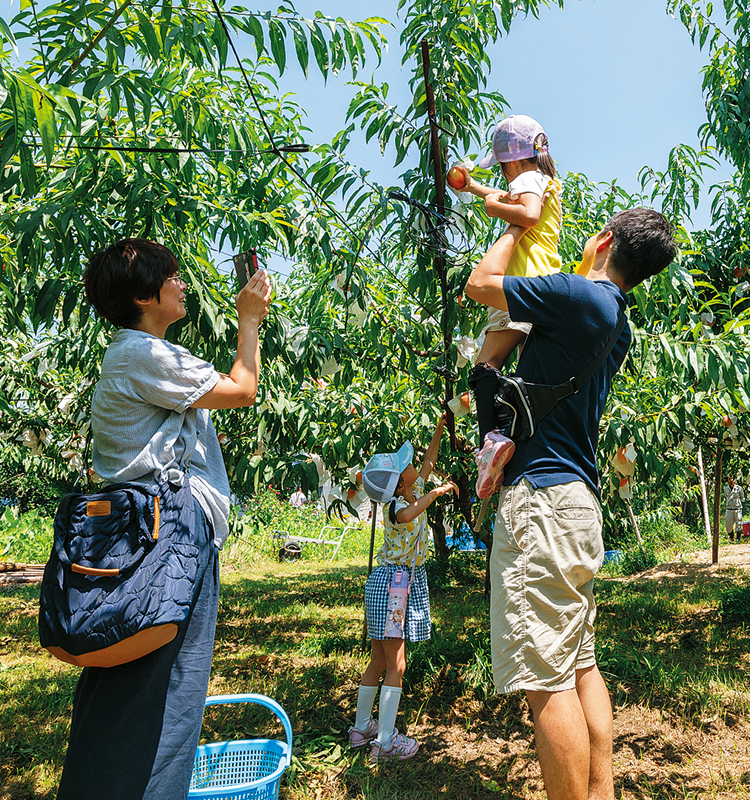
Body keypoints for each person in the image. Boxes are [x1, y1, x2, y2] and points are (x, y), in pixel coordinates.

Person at [465, 208, 677, 800]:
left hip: (544, 506)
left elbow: (479, 285)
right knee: (579, 664)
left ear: (606, 239)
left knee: (545, 680)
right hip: (578, 504)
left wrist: (514, 227)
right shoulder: (616, 321)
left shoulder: (577, 294)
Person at [56, 239, 272, 800]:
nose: (181, 284)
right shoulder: (143, 353)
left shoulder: (138, 355)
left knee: (146, 682)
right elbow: (243, 389)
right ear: (142, 294)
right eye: (170, 276)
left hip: (152, 529)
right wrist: (250, 320)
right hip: (165, 530)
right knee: (163, 690)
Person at [453, 114, 563, 499]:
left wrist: (494, 209)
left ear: (511, 162)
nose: (500, 176)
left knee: (485, 367)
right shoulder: (540, 179)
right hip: (543, 282)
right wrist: (473, 187)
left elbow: (526, 214)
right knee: (522, 366)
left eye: (499, 168)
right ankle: (509, 433)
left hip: (519, 284)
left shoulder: (524, 181)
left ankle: (491, 445)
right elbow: (514, 199)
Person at [350, 415, 457, 763]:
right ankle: (384, 743)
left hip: (387, 584)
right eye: (404, 467)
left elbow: (429, 459)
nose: (413, 466)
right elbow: (410, 514)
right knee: (397, 663)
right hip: (394, 586)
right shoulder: (398, 507)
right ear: (398, 485)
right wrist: (436, 492)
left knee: (379, 660)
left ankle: (362, 727)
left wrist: (442, 425)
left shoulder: (409, 491)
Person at [724, 476, 745, 542]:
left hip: (737, 508)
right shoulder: (726, 489)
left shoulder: (739, 488)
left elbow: (742, 497)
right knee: (728, 524)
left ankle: (738, 538)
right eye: (729, 479)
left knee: (738, 523)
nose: (730, 480)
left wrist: (739, 503)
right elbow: (726, 497)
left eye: (731, 479)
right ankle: (731, 536)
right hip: (729, 508)